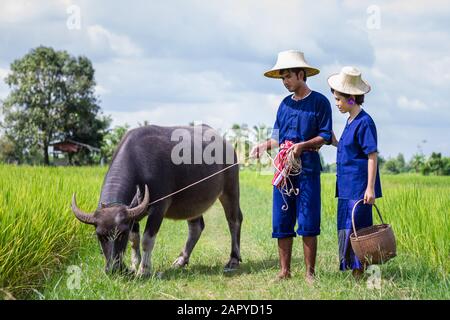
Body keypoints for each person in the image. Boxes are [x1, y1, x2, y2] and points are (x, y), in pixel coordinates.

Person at [251, 50, 332, 283]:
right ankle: (284, 271)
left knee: (308, 219)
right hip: (284, 170)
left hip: (307, 170)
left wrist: (303, 146)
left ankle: (309, 273)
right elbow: (277, 136)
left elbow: (325, 136)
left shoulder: (320, 103)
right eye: (282, 78)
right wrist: (264, 145)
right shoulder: (284, 105)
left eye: (287, 76)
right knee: (282, 218)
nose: (285, 82)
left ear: (300, 74)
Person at [327, 66, 382, 278]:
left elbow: (371, 155)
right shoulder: (350, 121)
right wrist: (334, 142)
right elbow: (350, 150)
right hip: (346, 188)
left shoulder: (365, 122)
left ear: (351, 98)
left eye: (339, 100)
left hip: (359, 189)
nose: (337, 104)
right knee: (346, 228)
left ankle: (367, 275)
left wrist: (370, 188)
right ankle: (356, 273)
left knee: (359, 231)